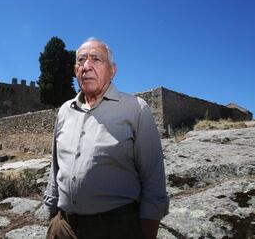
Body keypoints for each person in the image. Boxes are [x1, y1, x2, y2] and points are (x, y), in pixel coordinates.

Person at [43, 38, 169, 239]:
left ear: (112, 70)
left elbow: (153, 180)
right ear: (75, 70)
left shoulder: (135, 109)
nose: (86, 66)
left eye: (96, 59)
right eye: (81, 60)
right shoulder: (64, 111)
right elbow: (55, 167)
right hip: (63, 228)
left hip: (115, 229)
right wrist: (52, 219)